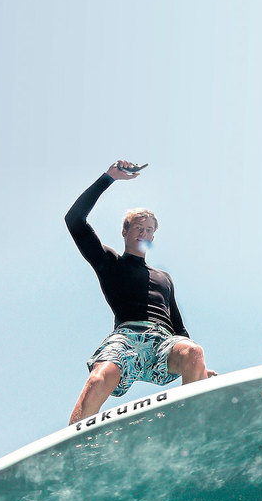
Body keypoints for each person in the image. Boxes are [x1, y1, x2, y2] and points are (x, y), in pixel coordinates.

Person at [65, 160, 214, 425]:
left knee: (194, 351)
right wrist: (108, 178)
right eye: (138, 228)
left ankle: (188, 428)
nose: (143, 233)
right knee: (100, 377)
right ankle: (74, 446)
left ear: (152, 238)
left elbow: (179, 328)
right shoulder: (109, 262)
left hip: (162, 342)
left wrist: (199, 370)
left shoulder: (163, 278)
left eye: (148, 230)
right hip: (126, 337)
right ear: (125, 231)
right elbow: (74, 220)